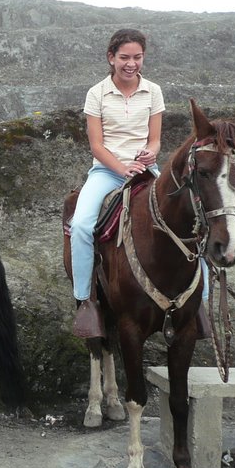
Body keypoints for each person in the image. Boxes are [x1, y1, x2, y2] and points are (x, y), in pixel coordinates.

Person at [69, 29, 164, 336]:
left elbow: (155, 139)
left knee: (194, 216)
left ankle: (198, 301)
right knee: (82, 225)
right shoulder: (96, 93)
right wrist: (123, 168)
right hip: (107, 170)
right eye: (124, 57)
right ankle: (85, 302)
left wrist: (149, 155)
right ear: (111, 58)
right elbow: (96, 145)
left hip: (145, 170)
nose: (131, 64)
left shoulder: (153, 91)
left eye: (137, 57)